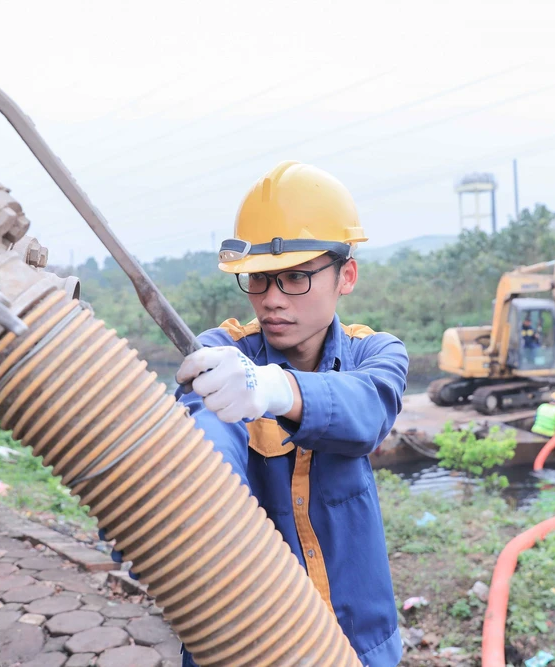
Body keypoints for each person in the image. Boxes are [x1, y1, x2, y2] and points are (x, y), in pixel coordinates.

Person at [110, 161, 408, 667]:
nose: (271, 300)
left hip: (358, 643)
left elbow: (367, 410)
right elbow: (207, 430)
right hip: (241, 644)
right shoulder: (221, 354)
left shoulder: (374, 353)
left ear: (346, 276)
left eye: (294, 277)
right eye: (259, 280)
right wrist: (187, 504)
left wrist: (273, 388)